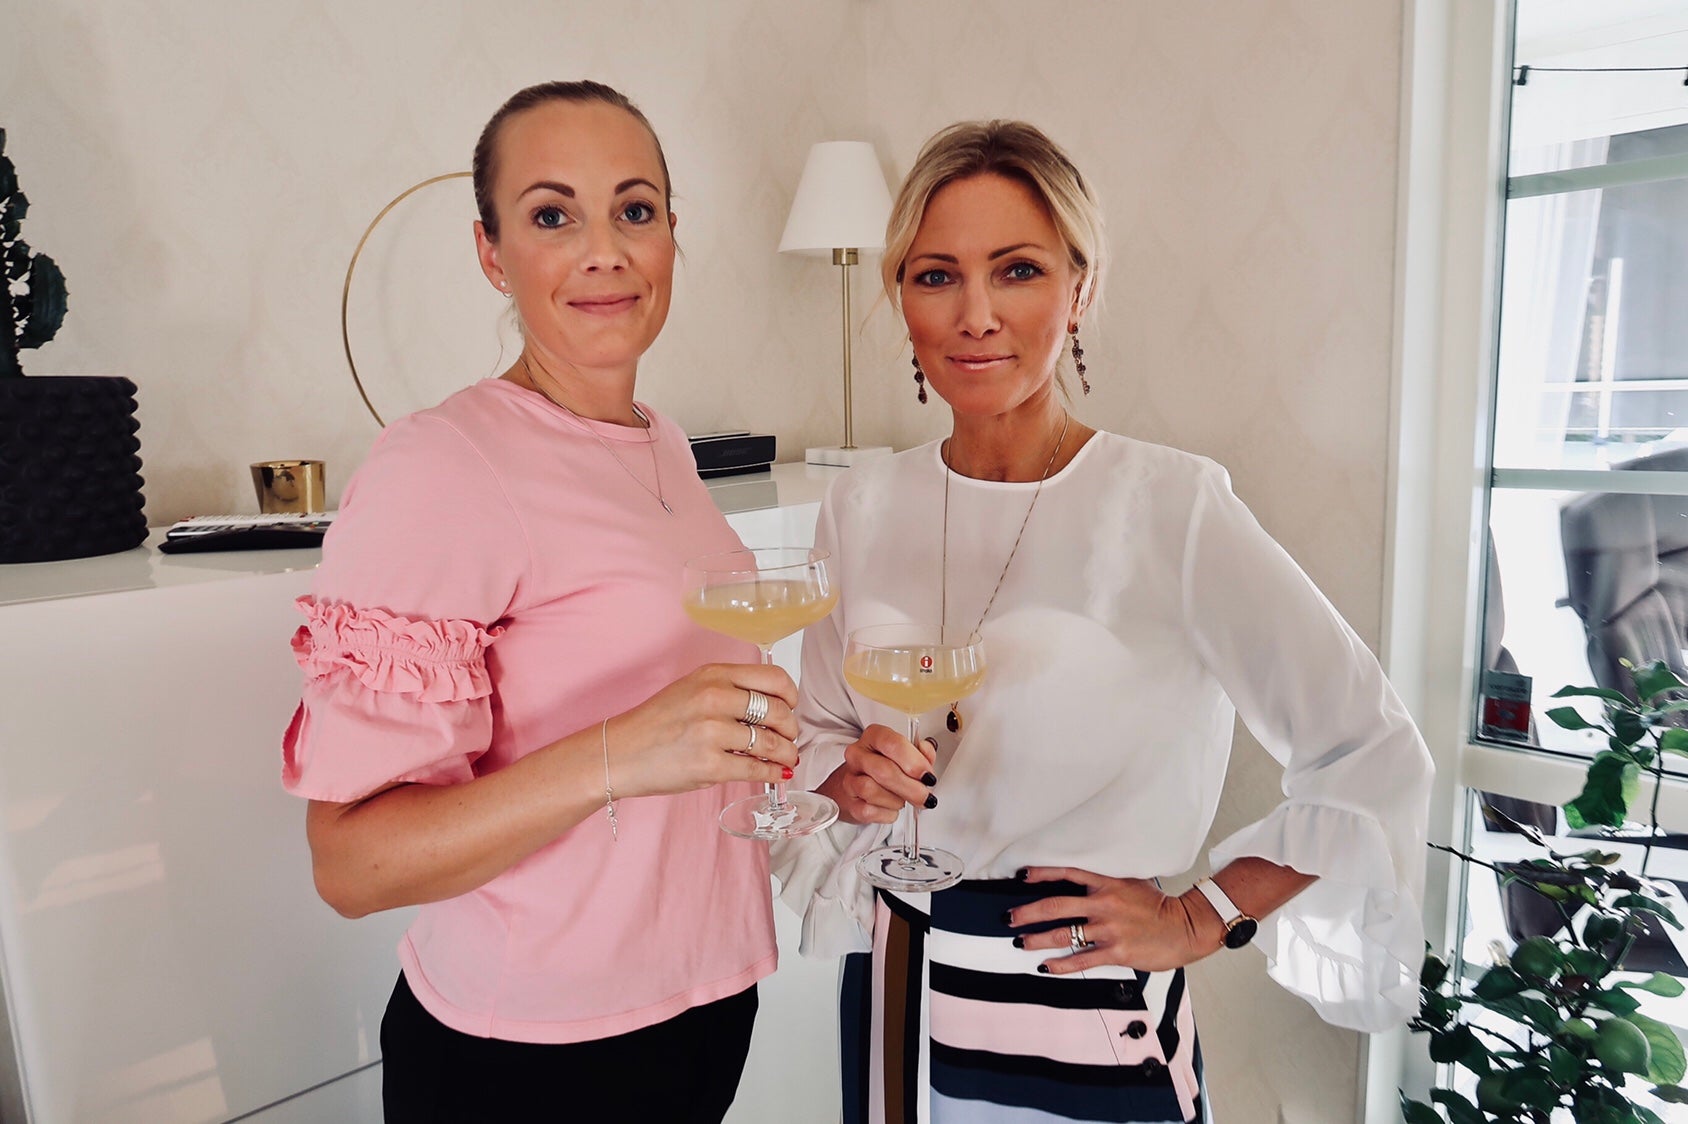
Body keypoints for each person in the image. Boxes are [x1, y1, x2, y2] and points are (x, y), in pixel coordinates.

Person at [774, 120, 1435, 1124]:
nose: (975, 315)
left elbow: (1372, 751)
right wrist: (847, 779)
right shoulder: (861, 504)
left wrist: (1202, 915)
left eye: (1018, 270)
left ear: (1079, 290)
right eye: (936, 275)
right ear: (899, 296)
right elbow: (819, 732)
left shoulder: (1170, 505)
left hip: (1081, 1002)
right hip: (896, 978)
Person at [282, 80, 797, 1123]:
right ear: (490, 252)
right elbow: (351, 862)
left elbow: (684, 730)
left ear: (672, 236)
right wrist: (618, 752)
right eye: (552, 215)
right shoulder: (446, 462)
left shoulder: (660, 440)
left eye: (634, 209)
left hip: (703, 1006)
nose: (604, 251)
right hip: (530, 1056)